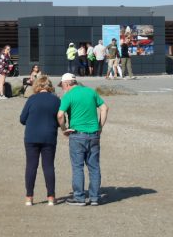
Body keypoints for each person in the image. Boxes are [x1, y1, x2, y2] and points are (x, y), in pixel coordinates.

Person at [57, 73, 108, 206]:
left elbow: (60, 115)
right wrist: (100, 126)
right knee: (94, 167)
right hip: (93, 134)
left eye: (62, 86)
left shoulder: (68, 95)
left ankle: (79, 197)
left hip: (77, 134)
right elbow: (104, 108)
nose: (62, 88)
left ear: (67, 84)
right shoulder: (91, 92)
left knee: (77, 167)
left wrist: (64, 129)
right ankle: (95, 197)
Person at [19, 75, 60, 206]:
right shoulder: (56, 100)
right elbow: (60, 119)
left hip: (32, 136)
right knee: (48, 166)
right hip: (49, 136)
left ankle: (29, 197)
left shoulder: (31, 99)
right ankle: (51, 197)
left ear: (36, 86)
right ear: (49, 86)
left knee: (31, 166)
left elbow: (22, 119)